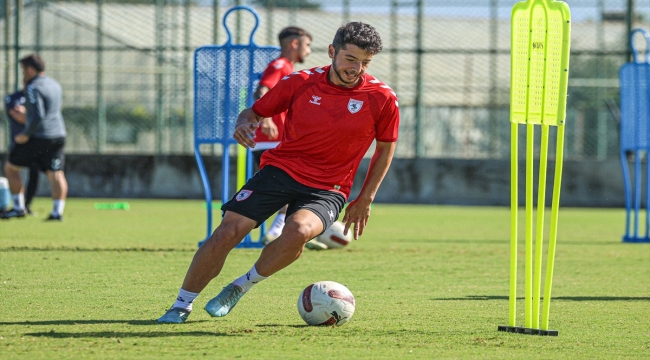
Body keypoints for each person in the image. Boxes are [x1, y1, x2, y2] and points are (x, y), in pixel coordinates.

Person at [158, 22, 399, 324]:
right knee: (228, 232)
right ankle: (181, 304)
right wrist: (244, 123)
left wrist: (366, 198)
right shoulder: (299, 81)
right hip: (280, 172)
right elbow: (254, 111)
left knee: (298, 232)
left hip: (329, 188)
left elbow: (385, 150)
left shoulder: (382, 97)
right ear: (332, 52)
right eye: (350, 59)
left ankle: (239, 287)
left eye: (365, 62)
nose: (357, 69)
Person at [251, 26, 313, 247]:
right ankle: (278, 232)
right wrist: (265, 118)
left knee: (293, 187)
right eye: (307, 45)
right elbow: (261, 90)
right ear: (294, 44)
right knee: (288, 187)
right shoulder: (280, 65)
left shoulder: (290, 69)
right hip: (272, 140)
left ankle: (287, 232)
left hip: (278, 140)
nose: (309, 50)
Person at [1, 54, 68, 221]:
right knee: (56, 174)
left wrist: (26, 134)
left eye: (23, 70)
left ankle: (18, 208)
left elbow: (38, 116)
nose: (23, 73)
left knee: (11, 168)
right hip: (58, 135)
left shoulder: (33, 87)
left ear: (30, 69)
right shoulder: (55, 85)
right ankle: (57, 213)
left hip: (40, 136)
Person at [1, 85, 41, 216]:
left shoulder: (37, 97)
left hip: (35, 143)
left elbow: (40, 118)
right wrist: (31, 115)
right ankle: (18, 206)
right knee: (12, 170)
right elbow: (21, 117)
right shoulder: (13, 98)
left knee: (35, 173)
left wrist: (26, 113)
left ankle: (26, 205)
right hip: (18, 143)